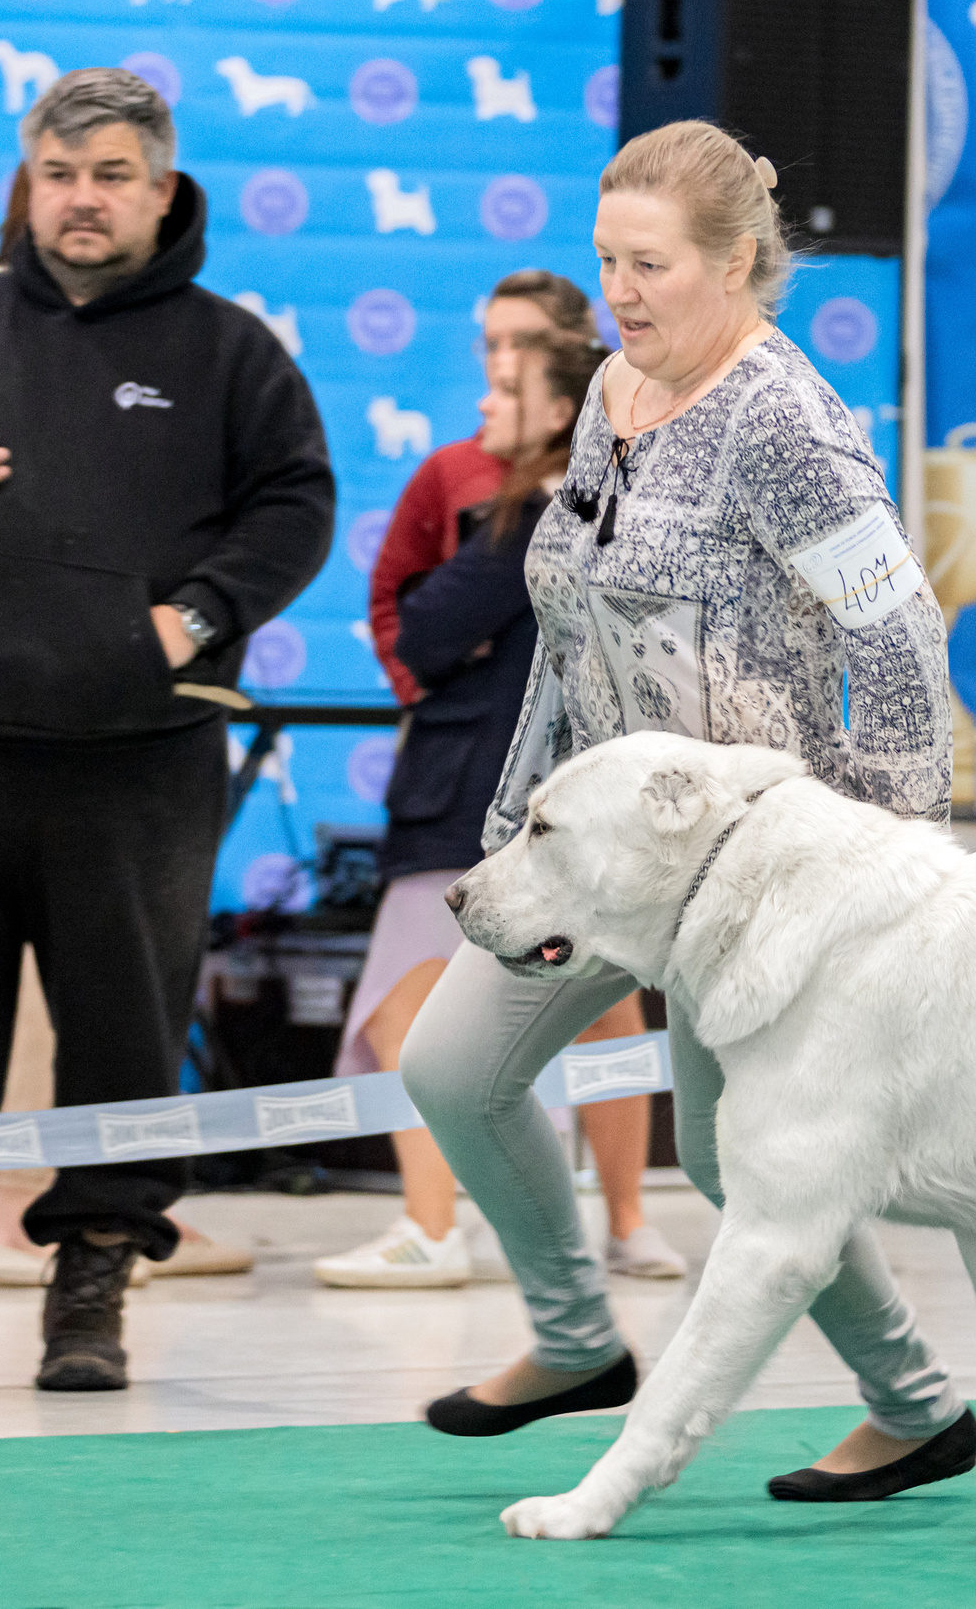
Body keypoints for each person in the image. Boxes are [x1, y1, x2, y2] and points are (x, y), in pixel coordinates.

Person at [398, 119, 971, 1502]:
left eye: (649, 265)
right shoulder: (609, 394)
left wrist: (895, 852)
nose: (622, 293)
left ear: (738, 264)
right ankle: (579, 1339)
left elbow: (903, 638)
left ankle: (915, 1405)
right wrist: (516, 828)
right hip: (592, 850)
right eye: (608, 262)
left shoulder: (789, 426)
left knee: (729, 1159)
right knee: (449, 1072)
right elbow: (568, 615)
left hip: (741, 877)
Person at [0, 68, 334, 1397]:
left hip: (134, 760)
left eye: (109, 175)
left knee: (123, 1033)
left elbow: (295, 507)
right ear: (28, 185)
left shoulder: (231, 350)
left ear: (161, 189)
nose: (81, 200)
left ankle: (91, 1291)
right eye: (59, 174)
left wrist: (196, 621)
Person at [317, 277, 685, 1289]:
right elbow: (404, 615)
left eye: (522, 345)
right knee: (409, 1002)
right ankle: (435, 1223)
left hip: (584, 793)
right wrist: (433, 669)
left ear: (568, 372)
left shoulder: (623, 478)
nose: (496, 368)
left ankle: (614, 1219)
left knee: (607, 1006)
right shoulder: (454, 477)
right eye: (488, 341)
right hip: (456, 784)